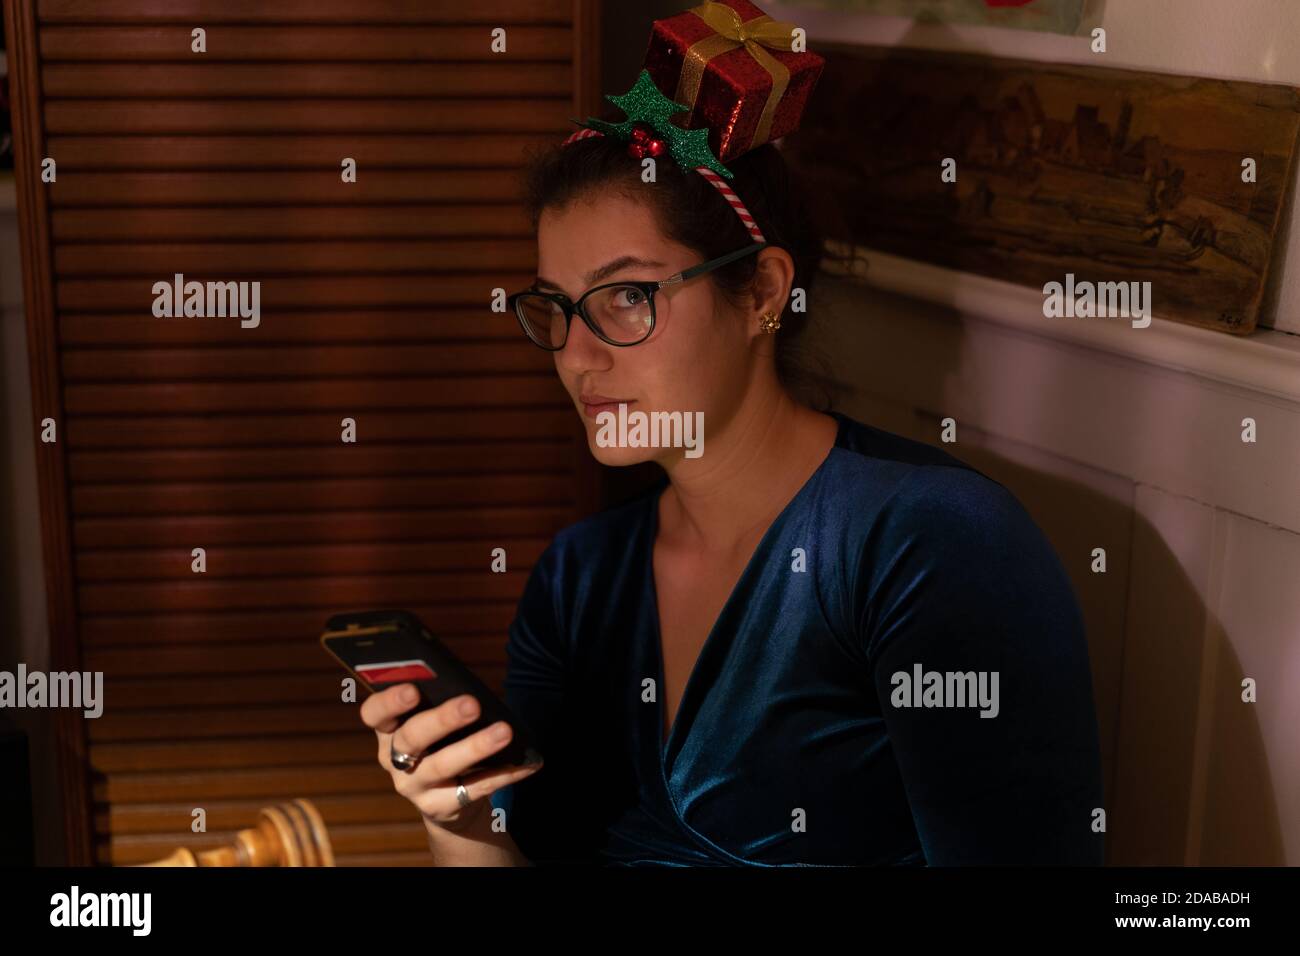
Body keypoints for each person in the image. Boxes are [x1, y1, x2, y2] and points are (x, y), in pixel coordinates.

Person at [361, 75, 1104, 869]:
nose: (578, 356)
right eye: (557, 306)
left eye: (626, 298)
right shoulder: (578, 581)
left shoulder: (929, 544)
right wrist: (461, 825)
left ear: (761, 292)